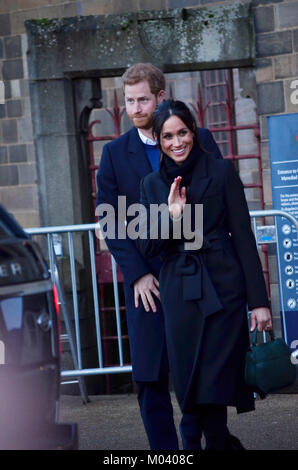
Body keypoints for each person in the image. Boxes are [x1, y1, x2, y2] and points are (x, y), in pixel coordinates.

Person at [96, 63, 223, 450]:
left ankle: (198, 444)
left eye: (143, 100)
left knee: (199, 369)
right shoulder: (116, 153)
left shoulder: (196, 139)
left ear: (160, 98)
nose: (135, 108)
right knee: (151, 376)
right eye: (129, 101)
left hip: (194, 276)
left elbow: (219, 203)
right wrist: (135, 274)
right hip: (147, 284)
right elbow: (110, 217)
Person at [136, 99, 272, 450]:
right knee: (187, 374)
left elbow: (243, 237)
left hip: (223, 287)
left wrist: (259, 302)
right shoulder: (150, 185)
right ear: (158, 139)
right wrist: (173, 216)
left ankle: (199, 440)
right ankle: (217, 440)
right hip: (180, 290)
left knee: (213, 373)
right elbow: (150, 247)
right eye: (167, 136)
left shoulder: (221, 172)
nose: (176, 142)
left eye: (182, 132)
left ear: (193, 132)